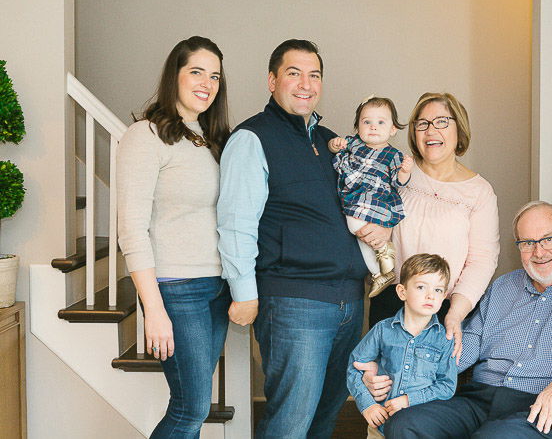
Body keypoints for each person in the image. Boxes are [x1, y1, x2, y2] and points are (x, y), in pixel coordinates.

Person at [364, 201, 552, 439]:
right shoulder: (502, 288)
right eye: (527, 243)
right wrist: (403, 374)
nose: (539, 252)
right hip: (480, 400)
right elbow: (463, 348)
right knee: (406, 425)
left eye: (548, 239)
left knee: (496, 437)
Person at [217, 39, 368, 438]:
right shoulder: (252, 138)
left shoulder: (330, 142)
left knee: (325, 417)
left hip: (349, 301)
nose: (306, 84)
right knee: (291, 423)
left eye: (314, 75)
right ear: (272, 80)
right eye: (293, 73)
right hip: (294, 303)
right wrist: (244, 293)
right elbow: (236, 223)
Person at [116, 36, 232, 438]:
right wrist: (154, 309)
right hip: (177, 289)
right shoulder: (144, 135)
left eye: (214, 75)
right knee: (191, 407)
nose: (207, 83)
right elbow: (131, 229)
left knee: (192, 409)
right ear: (175, 76)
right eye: (196, 71)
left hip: (217, 287)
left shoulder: (210, 137)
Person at [368, 92, 500, 360]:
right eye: (422, 123)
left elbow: (482, 261)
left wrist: (455, 313)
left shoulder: (479, 192)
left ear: (458, 128)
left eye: (441, 122)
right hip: (393, 301)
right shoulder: (397, 171)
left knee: (430, 394)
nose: (431, 131)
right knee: (383, 389)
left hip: (445, 308)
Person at [347, 253, 458, 438]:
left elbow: (447, 386)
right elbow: (355, 367)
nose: (430, 295)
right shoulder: (383, 330)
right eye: (421, 287)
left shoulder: (444, 338)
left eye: (438, 290)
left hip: (420, 426)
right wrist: (368, 405)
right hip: (380, 425)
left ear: (444, 296)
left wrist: (408, 400)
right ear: (402, 292)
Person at [328, 96, 414, 297]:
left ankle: (383, 256)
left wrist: (405, 171)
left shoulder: (394, 155)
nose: (373, 127)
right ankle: (380, 272)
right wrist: (335, 143)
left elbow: (399, 182)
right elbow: (333, 147)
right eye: (367, 122)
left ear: (393, 129)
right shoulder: (354, 143)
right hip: (355, 197)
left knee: (355, 227)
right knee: (362, 239)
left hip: (376, 200)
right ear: (357, 127)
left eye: (381, 122)